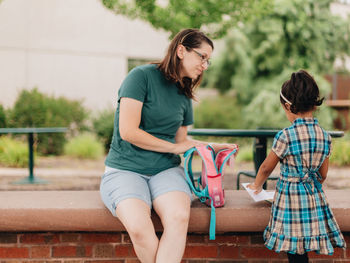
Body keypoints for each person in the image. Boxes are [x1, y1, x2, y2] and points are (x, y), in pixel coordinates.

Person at [100, 28, 237, 263]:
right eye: (202, 57)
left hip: (165, 171)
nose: (205, 65)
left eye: (208, 60)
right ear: (181, 50)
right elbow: (128, 131)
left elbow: (181, 142)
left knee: (178, 217)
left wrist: (216, 146)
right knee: (139, 227)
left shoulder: (184, 94)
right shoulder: (140, 77)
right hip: (125, 169)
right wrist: (174, 148)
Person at [247, 70, 346, 263]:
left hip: (290, 200)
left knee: (294, 246)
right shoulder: (324, 136)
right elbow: (323, 174)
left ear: (288, 106)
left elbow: (266, 167)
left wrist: (256, 186)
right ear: (314, 105)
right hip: (312, 196)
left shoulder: (286, 136)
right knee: (305, 242)